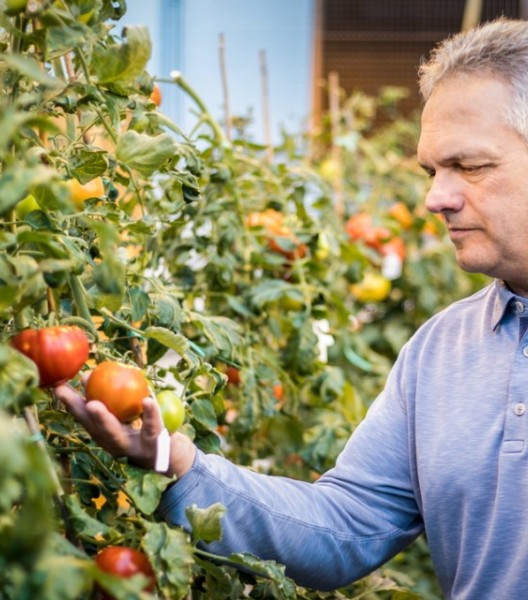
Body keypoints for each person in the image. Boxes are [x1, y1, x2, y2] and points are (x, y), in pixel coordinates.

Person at [54, 17, 528, 599]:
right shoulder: (440, 352)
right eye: (432, 171)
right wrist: (174, 461)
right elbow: (346, 524)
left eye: (471, 167)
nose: (436, 198)